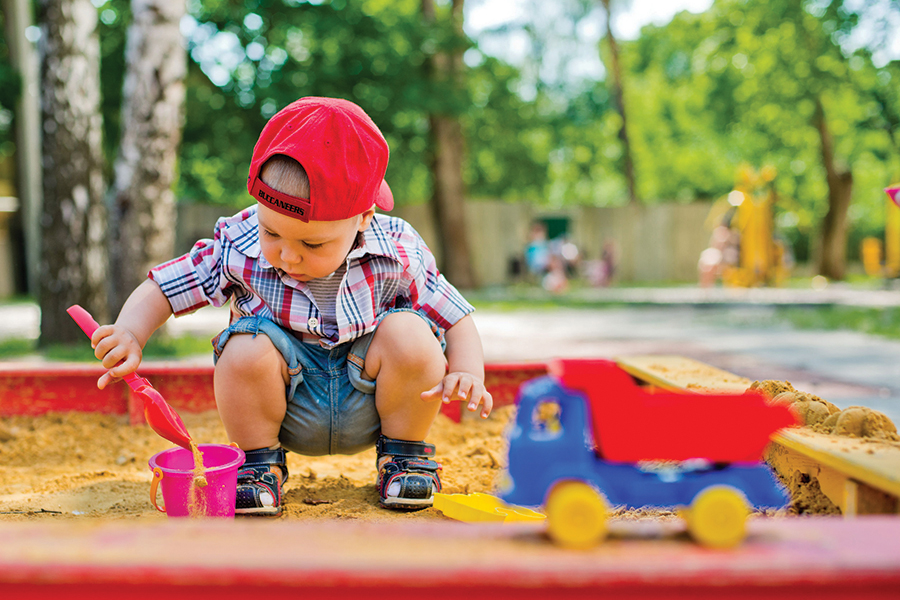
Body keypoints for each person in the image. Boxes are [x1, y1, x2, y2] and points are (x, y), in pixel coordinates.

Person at [87, 97, 492, 516]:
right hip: (284, 404)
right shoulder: (240, 241)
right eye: (272, 232)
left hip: (370, 400)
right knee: (244, 346)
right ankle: (258, 467)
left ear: (364, 218)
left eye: (312, 244)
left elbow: (455, 315)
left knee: (411, 332)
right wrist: (130, 332)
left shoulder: (398, 248)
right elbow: (167, 286)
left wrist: (467, 371)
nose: (288, 255)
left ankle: (405, 458)